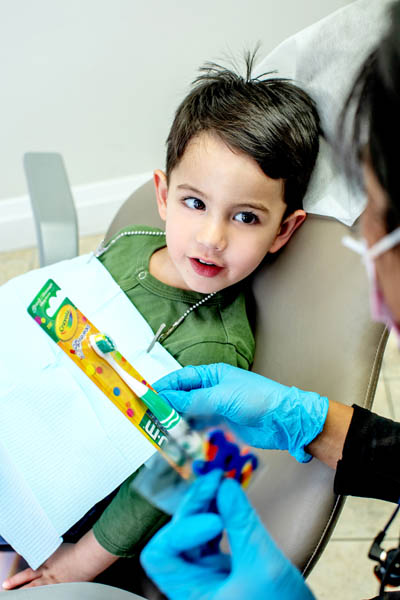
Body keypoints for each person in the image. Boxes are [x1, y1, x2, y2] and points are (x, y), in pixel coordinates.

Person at [2, 52, 320, 591]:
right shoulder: (131, 246)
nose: (211, 237)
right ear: (163, 195)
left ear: (284, 231)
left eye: (245, 217)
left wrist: (77, 563)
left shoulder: (214, 350)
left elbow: (165, 477)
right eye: (195, 203)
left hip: (65, 510)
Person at [137, 3, 400, 600]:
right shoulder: (139, 246)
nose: (375, 300)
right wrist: (316, 424)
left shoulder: (223, 339)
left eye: (375, 227)